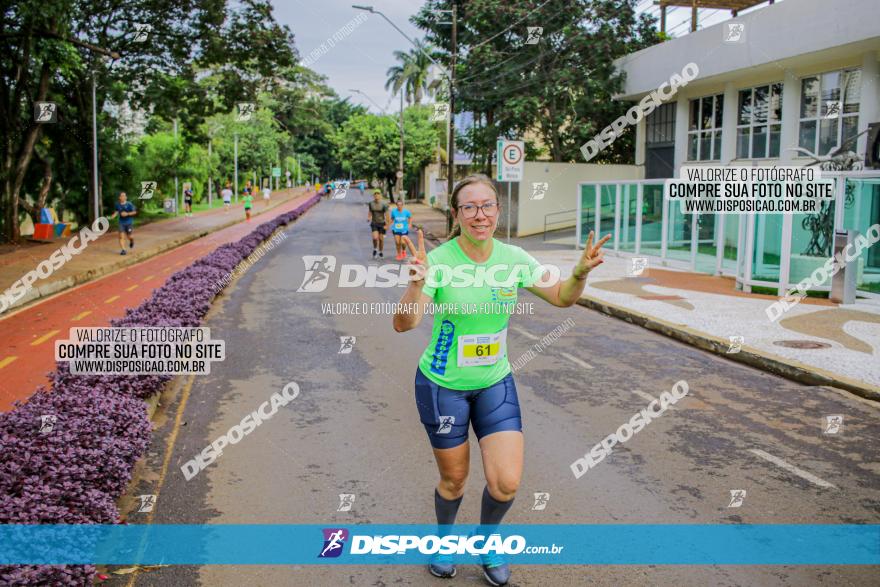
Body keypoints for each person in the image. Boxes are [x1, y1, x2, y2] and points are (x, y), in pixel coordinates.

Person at [392, 174, 610, 586]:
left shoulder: (514, 259)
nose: (480, 215)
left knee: (506, 483)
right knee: (454, 480)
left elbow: (562, 296)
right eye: (470, 207)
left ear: (498, 209)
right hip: (443, 387)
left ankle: (487, 541)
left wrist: (580, 272)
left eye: (487, 205)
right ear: (456, 214)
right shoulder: (438, 263)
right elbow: (405, 324)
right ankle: (443, 541)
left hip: (495, 383)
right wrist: (415, 285)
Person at [109, 191, 137, 256]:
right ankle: (123, 250)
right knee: (121, 236)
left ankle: (131, 241)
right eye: (122, 196)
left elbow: (134, 212)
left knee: (129, 236)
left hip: (129, 222)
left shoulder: (129, 204)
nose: (123, 197)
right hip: (121, 223)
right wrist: (112, 216)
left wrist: (127, 214)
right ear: (119, 197)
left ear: (126, 197)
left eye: (124, 196)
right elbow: (116, 212)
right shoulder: (117, 205)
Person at [367, 189, 390, 259]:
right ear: (374, 195)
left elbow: (387, 215)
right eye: (375, 194)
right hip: (374, 223)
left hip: (382, 223)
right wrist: (369, 217)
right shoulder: (371, 203)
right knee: (375, 238)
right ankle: (375, 249)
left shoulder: (384, 204)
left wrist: (387, 225)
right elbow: (370, 211)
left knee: (381, 239)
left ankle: (380, 251)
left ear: (380, 195)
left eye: (378, 194)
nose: (376, 195)